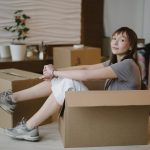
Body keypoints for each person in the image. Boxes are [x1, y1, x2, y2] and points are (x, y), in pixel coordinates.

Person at [0, 27, 141, 141]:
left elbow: (86, 75)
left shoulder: (127, 65)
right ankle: (11, 99)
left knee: (66, 82)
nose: (115, 42)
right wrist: (55, 71)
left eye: (122, 40)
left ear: (131, 46)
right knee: (61, 79)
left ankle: (28, 126)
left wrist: (54, 73)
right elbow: (86, 68)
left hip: (113, 118)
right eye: (114, 38)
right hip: (107, 110)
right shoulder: (114, 63)